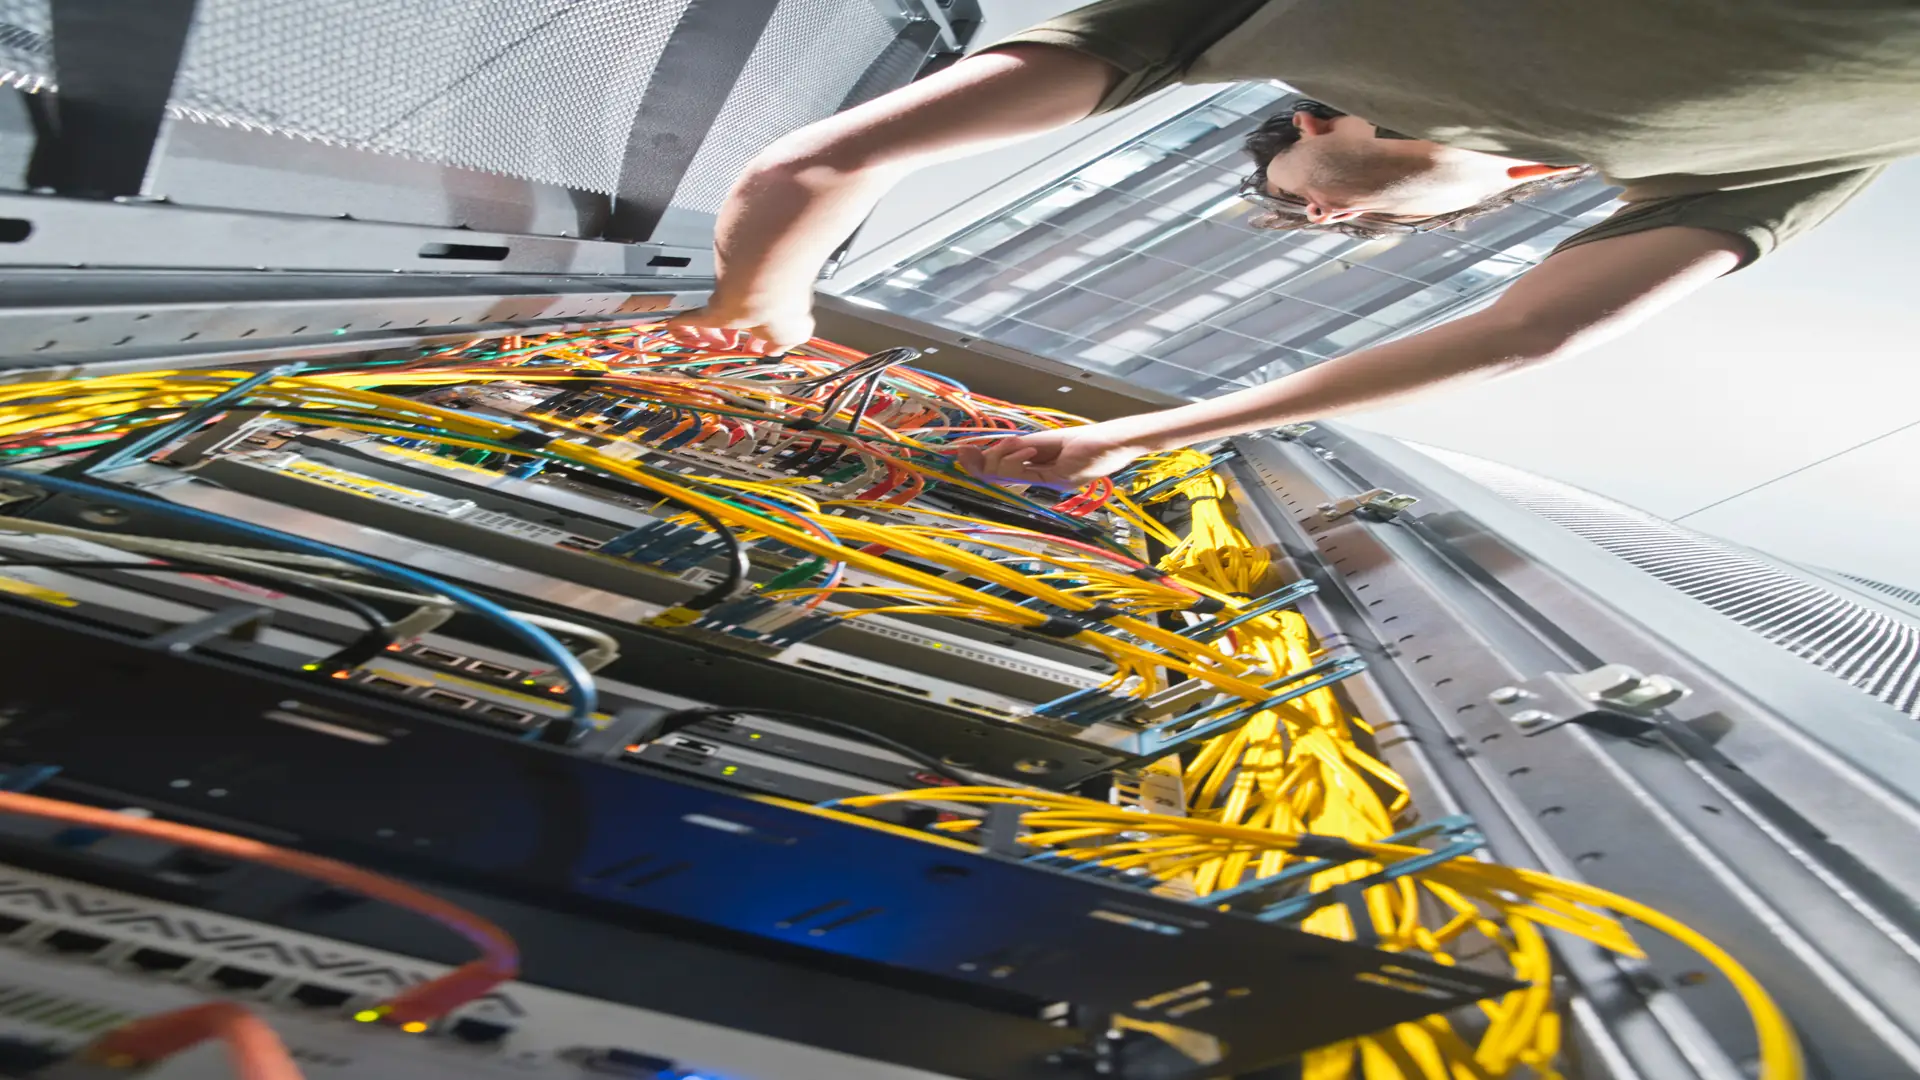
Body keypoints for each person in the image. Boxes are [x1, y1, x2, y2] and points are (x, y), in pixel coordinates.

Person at [666, 0, 1920, 488]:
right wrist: (1136, 434)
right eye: (1344, 224)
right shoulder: (1747, 169)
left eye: (1301, 196)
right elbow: (1530, 332)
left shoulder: (1239, 22)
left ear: (1308, 117)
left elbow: (816, 164)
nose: (1327, 212)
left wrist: (758, 309)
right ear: (1519, 189)